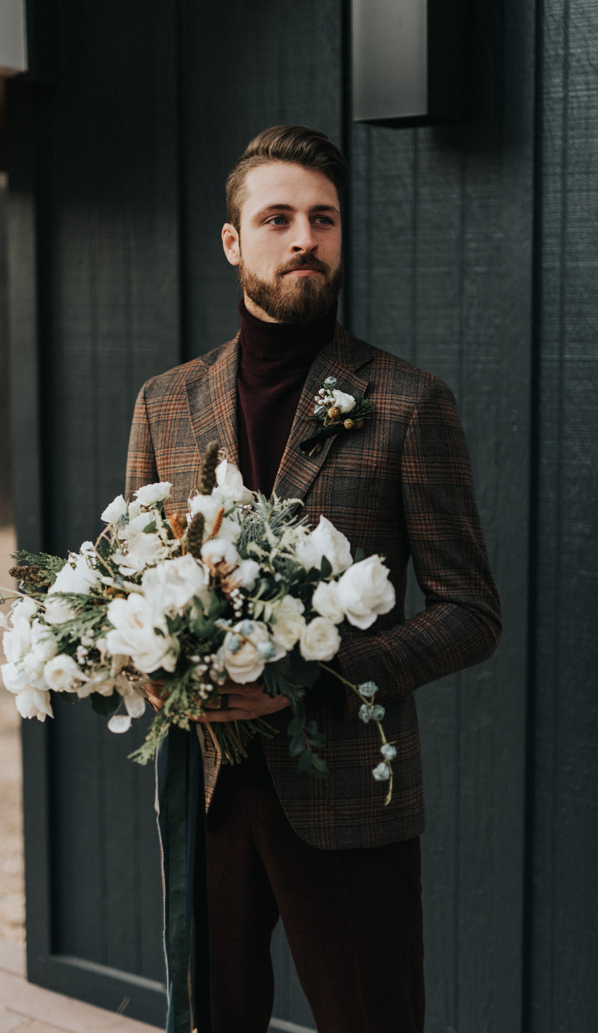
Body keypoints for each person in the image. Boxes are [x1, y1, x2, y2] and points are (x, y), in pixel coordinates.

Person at [125, 125, 501, 1033]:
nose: (305, 239)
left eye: (324, 219)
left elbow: (469, 613)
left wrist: (313, 679)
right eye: (280, 218)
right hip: (206, 790)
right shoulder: (164, 402)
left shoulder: (409, 403)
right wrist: (147, 665)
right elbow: (127, 582)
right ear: (234, 241)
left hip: (349, 802)